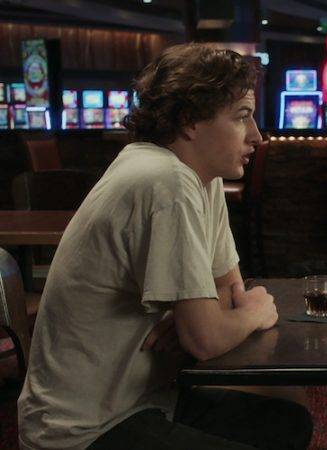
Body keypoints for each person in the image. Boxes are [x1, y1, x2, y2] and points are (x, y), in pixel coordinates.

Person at [17, 44, 312, 450]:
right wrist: (254, 310)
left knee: (287, 417)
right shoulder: (164, 181)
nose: (257, 135)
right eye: (242, 116)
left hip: (146, 401)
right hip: (83, 431)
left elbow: (227, 293)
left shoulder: (200, 178)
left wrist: (198, 317)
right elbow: (207, 338)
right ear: (190, 121)